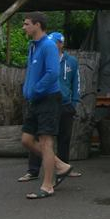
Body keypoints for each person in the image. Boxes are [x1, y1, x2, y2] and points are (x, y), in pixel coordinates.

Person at [19, 13, 73, 199]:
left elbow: (52, 73)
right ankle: (60, 165)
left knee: (46, 142)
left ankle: (48, 185)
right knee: (26, 140)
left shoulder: (48, 45)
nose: (24, 27)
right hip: (35, 100)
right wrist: (28, 91)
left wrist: (35, 90)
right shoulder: (33, 46)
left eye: (26, 24)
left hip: (48, 99)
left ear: (37, 25)